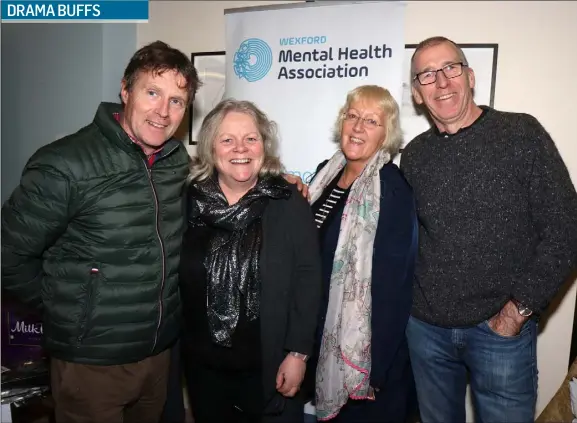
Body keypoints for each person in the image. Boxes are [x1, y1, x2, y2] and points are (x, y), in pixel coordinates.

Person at [1, 41, 199, 423]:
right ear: (126, 90)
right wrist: (68, 307)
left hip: (158, 356)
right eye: (153, 92)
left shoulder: (176, 162)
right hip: (90, 364)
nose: (163, 111)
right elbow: (8, 253)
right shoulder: (65, 163)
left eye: (177, 100)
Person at [401, 35, 577, 423]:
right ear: (416, 94)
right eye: (427, 75)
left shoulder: (521, 135)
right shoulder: (413, 156)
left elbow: (566, 228)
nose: (442, 82)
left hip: (499, 334)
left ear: (470, 76)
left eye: (451, 68)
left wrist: (516, 312)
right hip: (426, 333)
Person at [179, 99, 323, 423]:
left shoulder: (288, 202)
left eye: (251, 138)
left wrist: (298, 353)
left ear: (264, 146)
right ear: (210, 148)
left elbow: (308, 278)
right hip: (204, 369)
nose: (240, 148)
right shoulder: (188, 202)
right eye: (227, 139)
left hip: (269, 368)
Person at [307, 85, 418, 422]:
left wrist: (375, 368)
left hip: (366, 354)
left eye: (371, 121)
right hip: (320, 335)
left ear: (387, 135)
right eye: (352, 116)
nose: (357, 127)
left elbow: (393, 288)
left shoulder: (391, 189)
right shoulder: (326, 172)